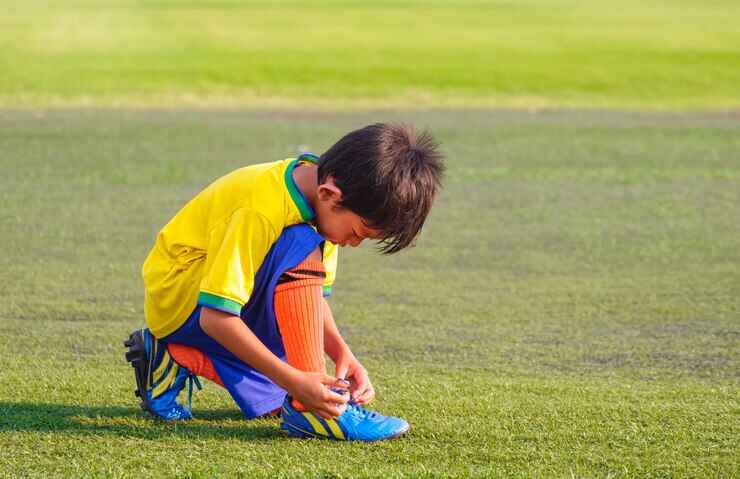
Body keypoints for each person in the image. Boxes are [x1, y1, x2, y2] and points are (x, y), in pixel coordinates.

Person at [124, 123, 444, 441]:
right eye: (358, 233)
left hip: (208, 309)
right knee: (298, 247)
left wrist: (342, 353)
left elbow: (310, 301)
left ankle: (171, 356)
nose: (354, 244)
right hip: (183, 299)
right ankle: (310, 412)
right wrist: (298, 383)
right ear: (329, 194)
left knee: (280, 394)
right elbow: (216, 317)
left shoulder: (321, 204)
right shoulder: (267, 210)